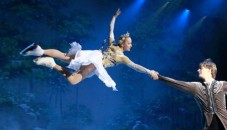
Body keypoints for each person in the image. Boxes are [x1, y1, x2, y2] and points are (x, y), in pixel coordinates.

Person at [19, 9, 158, 91]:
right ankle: (51, 63)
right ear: (123, 44)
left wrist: (114, 17)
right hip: (94, 64)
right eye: (130, 43)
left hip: (92, 54)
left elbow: (111, 29)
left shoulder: (112, 44)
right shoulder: (122, 57)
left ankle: (40, 50)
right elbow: (136, 67)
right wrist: (149, 71)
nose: (131, 45)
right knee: (73, 81)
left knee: (65, 56)